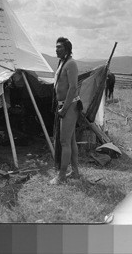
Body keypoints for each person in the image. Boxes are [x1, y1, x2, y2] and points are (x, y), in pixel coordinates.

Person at [50, 37, 82, 185]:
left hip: (69, 106)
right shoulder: (63, 62)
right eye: (56, 47)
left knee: (64, 142)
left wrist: (64, 108)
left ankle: (61, 175)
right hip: (65, 105)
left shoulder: (71, 64)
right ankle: (75, 172)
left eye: (60, 48)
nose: (56, 50)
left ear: (67, 49)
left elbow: (73, 87)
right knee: (71, 140)